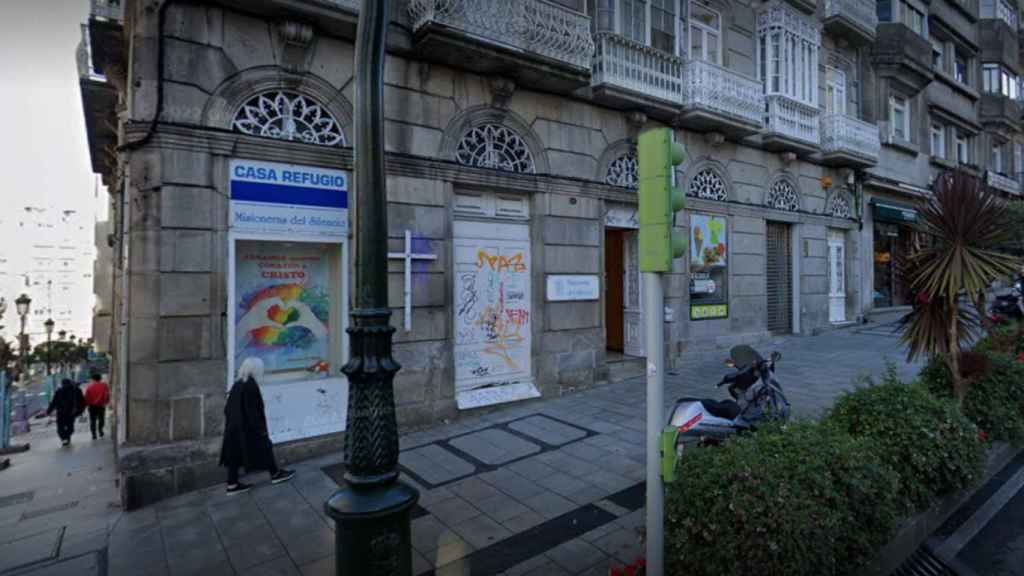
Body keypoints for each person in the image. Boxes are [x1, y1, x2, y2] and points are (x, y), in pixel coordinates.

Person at [219, 358, 294, 494]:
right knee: (265, 446)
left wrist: (234, 422)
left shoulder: (238, 384)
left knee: (234, 454)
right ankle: (275, 474)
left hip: (233, 427)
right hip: (247, 427)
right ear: (255, 370)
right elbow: (252, 411)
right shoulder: (250, 385)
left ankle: (232, 484)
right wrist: (261, 430)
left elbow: (228, 408)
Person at [46, 379, 85, 446]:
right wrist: (81, 410)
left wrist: (48, 411)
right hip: (71, 412)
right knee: (70, 427)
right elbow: (82, 401)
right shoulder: (76, 390)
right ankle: (67, 438)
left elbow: (54, 402)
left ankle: (64, 439)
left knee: (60, 427)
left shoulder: (59, 391)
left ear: (62, 384)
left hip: (60, 412)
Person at [84, 373, 110, 440]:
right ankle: (100, 430)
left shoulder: (89, 387)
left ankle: (94, 434)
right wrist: (106, 402)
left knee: (93, 420)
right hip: (101, 405)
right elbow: (107, 395)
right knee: (101, 419)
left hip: (92, 406)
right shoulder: (104, 386)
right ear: (100, 379)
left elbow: (87, 397)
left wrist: (86, 405)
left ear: (93, 379)